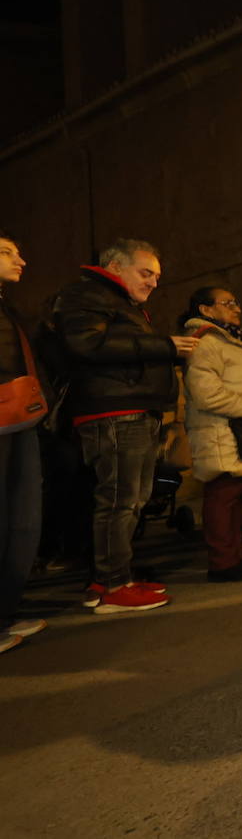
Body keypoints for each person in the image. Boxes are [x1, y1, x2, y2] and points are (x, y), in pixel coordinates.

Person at [53, 238, 195, 613]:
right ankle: (113, 586)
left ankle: (115, 577)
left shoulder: (115, 301)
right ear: (115, 266)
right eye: (145, 273)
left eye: (156, 277)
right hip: (113, 412)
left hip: (127, 409)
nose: (152, 283)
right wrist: (165, 346)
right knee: (120, 500)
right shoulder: (86, 295)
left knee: (130, 501)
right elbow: (86, 346)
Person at [180, 287, 242, 582]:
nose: (236, 308)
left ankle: (235, 555)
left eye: (236, 302)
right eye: (228, 303)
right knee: (223, 496)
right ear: (205, 310)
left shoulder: (227, 338)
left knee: (236, 494)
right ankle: (223, 563)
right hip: (220, 428)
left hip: (237, 428)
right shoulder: (205, 342)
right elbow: (206, 393)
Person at [0, 235, 47, 653]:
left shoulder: (8, 307)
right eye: (6, 252)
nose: (21, 259)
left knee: (23, 521)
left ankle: (5, 613)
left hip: (20, 418)